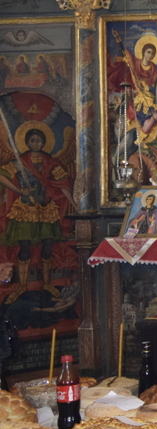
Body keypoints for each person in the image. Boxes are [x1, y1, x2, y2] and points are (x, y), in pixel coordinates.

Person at [0, 126, 76, 300]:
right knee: (24, 247)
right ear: (27, 142)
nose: (36, 143)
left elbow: (63, 183)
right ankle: (22, 286)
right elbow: (2, 175)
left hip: (45, 211)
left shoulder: (49, 163)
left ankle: (47, 283)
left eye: (39, 140)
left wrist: (74, 204)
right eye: (32, 140)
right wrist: (19, 191)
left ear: (44, 142)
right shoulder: (20, 161)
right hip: (25, 210)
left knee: (47, 246)